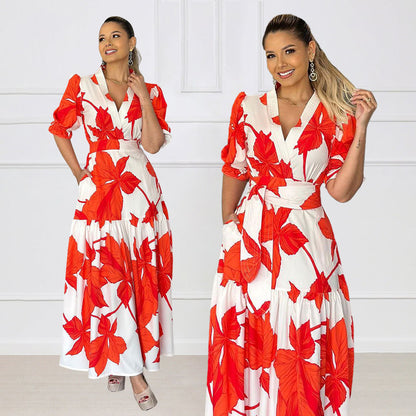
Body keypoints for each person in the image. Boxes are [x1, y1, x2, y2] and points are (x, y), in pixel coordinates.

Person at [206, 14, 376, 416]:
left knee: (300, 330)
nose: (280, 63)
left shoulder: (336, 114)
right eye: (270, 55)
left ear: (310, 50)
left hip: (306, 236)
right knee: (247, 325)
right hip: (250, 237)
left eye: (289, 51)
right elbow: (235, 167)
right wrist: (229, 225)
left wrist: (362, 128)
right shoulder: (248, 107)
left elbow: (342, 191)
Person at [49, 16, 173, 411]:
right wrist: (80, 174)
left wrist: (144, 98)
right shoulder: (82, 85)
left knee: (135, 277)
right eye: (102, 38)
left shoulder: (150, 90)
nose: (107, 43)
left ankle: (119, 362)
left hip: (139, 194)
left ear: (132, 42)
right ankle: (135, 375)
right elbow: (59, 129)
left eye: (115, 36)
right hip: (99, 193)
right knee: (107, 276)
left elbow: (153, 145)